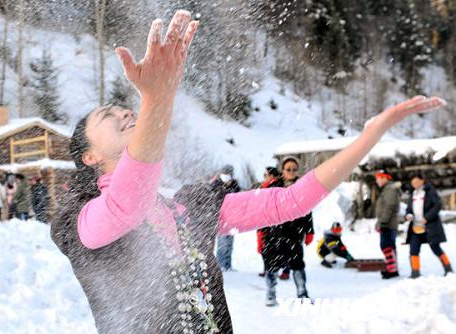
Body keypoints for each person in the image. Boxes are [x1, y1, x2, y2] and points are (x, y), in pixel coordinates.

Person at [49, 9, 445, 333]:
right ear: (88, 157)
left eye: (127, 108)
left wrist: (370, 136)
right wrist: (159, 96)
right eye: (107, 114)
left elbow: (292, 200)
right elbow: (126, 206)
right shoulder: (78, 220)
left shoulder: (189, 209)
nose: (124, 111)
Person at [275, 156, 314, 300]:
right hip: (278, 230)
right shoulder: (276, 185)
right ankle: (271, 294)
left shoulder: (302, 186)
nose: (291, 172)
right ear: (282, 170)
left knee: (298, 262)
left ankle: (302, 291)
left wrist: (309, 231)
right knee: (273, 261)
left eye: (294, 169)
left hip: (295, 231)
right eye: (288, 169)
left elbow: (308, 210)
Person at [406, 174, 453, 278]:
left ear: (423, 181)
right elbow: (409, 209)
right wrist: (409, 214)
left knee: (435, 247)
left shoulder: (430, 191)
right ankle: (415, 272)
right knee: (413, 248)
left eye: (417, 181)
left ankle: (448, 268)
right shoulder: (412, 194)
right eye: (413, 182)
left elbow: (437, 205)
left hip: (430, 226)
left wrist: (427, 217)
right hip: (415, 226)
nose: (415, 184)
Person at [257, 167, 284, 279]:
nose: (264, 177)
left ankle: (272, 270)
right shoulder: (265, 187)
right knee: (264, 247)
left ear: (272, 176)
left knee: (271, 248)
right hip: (264, 222)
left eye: (266, 175)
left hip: (273, 223)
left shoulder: (275, 187)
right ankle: (268, 269)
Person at [213, 165, 241, 271]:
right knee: (222, 242)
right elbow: (216, 199)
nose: (225, 176)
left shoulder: (235, 186)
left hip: (232, 217)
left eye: (228, 174)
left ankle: (228, 264)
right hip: (221, 217)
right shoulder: (216, 184)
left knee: (229, 243)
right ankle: (220, 265)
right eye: (224, 174)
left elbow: (238, 198)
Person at [375, 171, 401, 279]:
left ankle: (392, 270)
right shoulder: (387, 189)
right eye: (378, 178)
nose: (379, 180)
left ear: (387, 178)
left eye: (381, 178)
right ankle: (393, 268)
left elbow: (390, 206)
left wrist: (383, 222)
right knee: (390, 246)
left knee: (386, 246)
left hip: (388, 223)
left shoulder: (389, 189)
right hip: (388, 223)